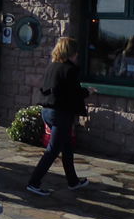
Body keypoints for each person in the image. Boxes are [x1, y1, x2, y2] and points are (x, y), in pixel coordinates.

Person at [27, 37, 98, 196]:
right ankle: (34, 182)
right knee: (53, 150)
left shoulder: (52, 67)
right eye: (76, 51)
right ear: (71, 53)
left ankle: (73, 181)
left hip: (47, 111)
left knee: (67, 147)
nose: (78, 54)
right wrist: (88, 91)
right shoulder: (69, 69)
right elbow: (74, 93)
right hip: (60, 113)